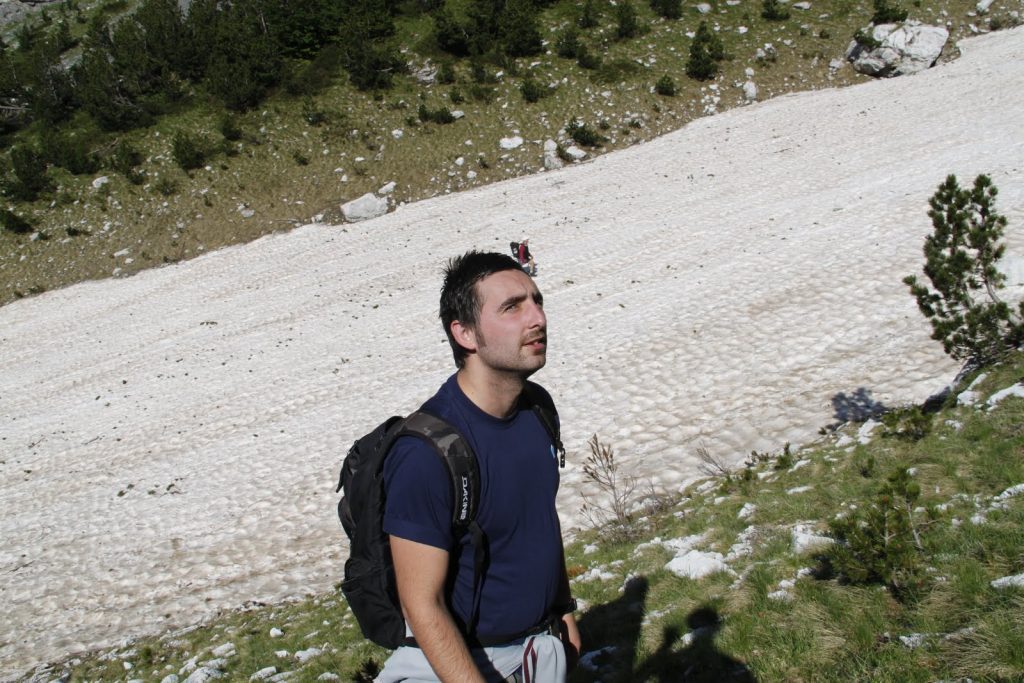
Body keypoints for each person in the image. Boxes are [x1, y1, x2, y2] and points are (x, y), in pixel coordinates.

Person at [376, 251, 580, 682]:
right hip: (463, 664)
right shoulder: (426, 453)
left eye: (536, 300)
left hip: (539, 652)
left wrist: (565, 616)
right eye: (512, 307)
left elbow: (538, 520)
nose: (537, 318)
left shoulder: (537, 410)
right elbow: (422, 605)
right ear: (465, 332)